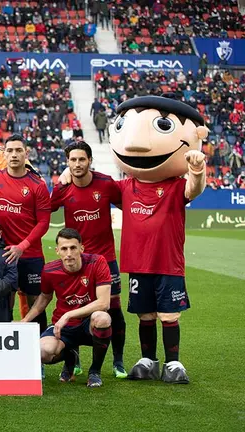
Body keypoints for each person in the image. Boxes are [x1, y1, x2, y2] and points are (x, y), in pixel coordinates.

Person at [106, 95, 207, 383]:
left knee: (168, 316)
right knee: (145, 315)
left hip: (168, 263)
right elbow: (98, 187)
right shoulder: (126, 186)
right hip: (138, 264)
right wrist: (71, 174)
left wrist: (197, 170)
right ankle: (148, 359)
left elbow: (194, 189)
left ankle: (173, 364)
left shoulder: (175, 187)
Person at [51, 142, 127, 378]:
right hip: (75, 260)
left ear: (90, 160)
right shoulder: (63, 188)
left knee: (112, 308)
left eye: (81, 159)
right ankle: (73, 360)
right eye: (72, 160)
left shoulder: (105, 183)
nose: (77, 164)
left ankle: (118, 360)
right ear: (67, 162)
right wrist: (58, 183)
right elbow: (49, 207)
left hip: (105, 258)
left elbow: (126, 205)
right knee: (74, 306)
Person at [22, 228, 113, 388]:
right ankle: (70, 354)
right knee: (43, 352)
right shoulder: (49, 270)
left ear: (81, 248)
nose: (69, 253)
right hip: (64, 327)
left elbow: (103, 303)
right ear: (57, 251)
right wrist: (25, 320)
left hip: (89, 325)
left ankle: (94, 371)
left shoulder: (97, 262)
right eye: (64, 248)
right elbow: (44, 297)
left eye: (73, 248)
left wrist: (68, 315)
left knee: (103, 318)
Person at [0, 134, 51, 334]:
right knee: (5, 302)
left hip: (30, 255)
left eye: (18, 150)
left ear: (26, 153)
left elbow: (44, 222)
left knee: (34, 302)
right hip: (2, 254)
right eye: (9, 150)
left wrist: (23, 246)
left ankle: (39, 352)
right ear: (4, 154)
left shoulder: (37, 184)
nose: (14, 155)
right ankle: (8, 351)